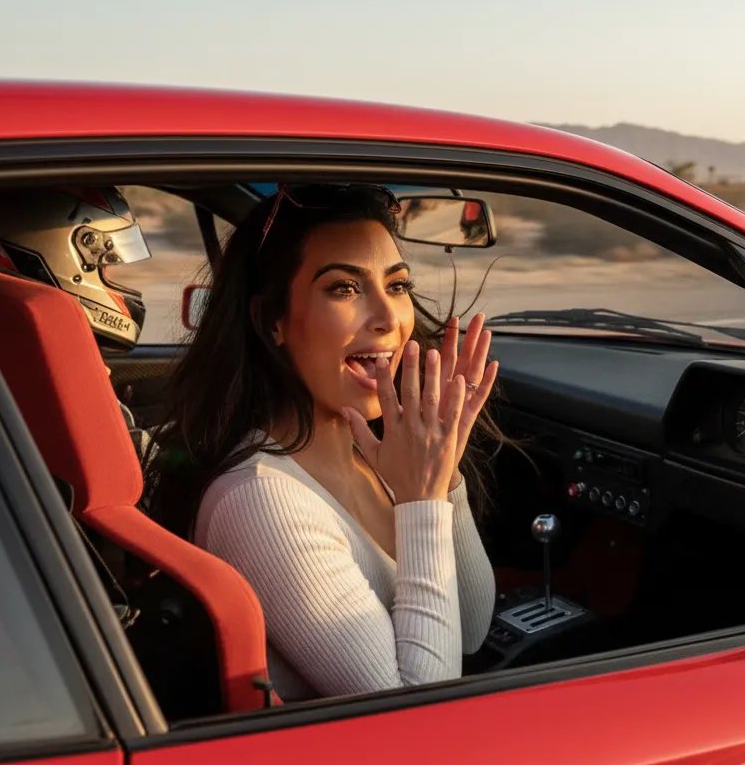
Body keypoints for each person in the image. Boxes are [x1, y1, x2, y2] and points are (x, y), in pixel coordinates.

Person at [145, 184, 501, 701]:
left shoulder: (378, 454)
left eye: (398, 286)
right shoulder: (262, 500)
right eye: (344, 289)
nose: (389, 318)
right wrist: (422, 499)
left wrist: (442, 475)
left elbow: (469, 631)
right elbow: (413, 717)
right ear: (274, 322)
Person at [0, 186, 154, 454]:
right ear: (63, 261)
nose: (112, 275)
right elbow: (142, 472)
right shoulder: (59, 376)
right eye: (106, 263)